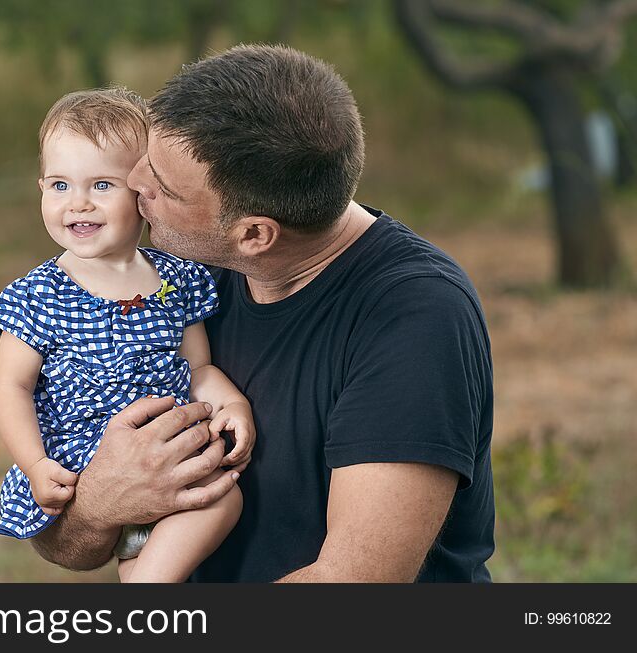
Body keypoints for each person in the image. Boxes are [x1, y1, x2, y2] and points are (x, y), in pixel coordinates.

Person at [27, 45, 495, 582]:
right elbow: (63, 542)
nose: (134, 183)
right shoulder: (174, 281)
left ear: (253, 234)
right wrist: (100, 503)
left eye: (163, 183)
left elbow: (353, 584)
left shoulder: (414, 318)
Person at [0, 87, 255, 583]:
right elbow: (11, 387)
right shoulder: (37, 295)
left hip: (173, 460)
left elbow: (197, 369)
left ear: (144, 191)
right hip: (87, 467)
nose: (79, 204)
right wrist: (34, 464)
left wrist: (232, 405)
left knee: (222, 497)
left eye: (103, 186)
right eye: (60, 186)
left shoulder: (178, 279)